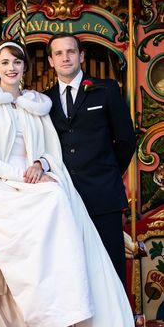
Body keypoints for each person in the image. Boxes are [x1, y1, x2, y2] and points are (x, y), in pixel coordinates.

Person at [0, 40, 136, 327]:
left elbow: (52, 149)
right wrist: (26, 173)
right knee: (50, 200)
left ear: (26, 67)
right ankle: (55, 319)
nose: (11, 68)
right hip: (1, 180)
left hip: (50, 180)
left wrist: (42, 165)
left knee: (57, 197)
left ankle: (73, 316)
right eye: (5, 62)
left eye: (17, 62)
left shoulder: (35, 104)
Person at [44, 33, 136, 288]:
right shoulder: (45, 99)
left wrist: (108, 173)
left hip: (103, 194)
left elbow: (126, 140)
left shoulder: (106, 90)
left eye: (71, 51)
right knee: (69, 267)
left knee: (110, 265)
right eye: (59, 53)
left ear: (81, 56)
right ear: (51, 61)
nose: (66, 57)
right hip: (63, 197)